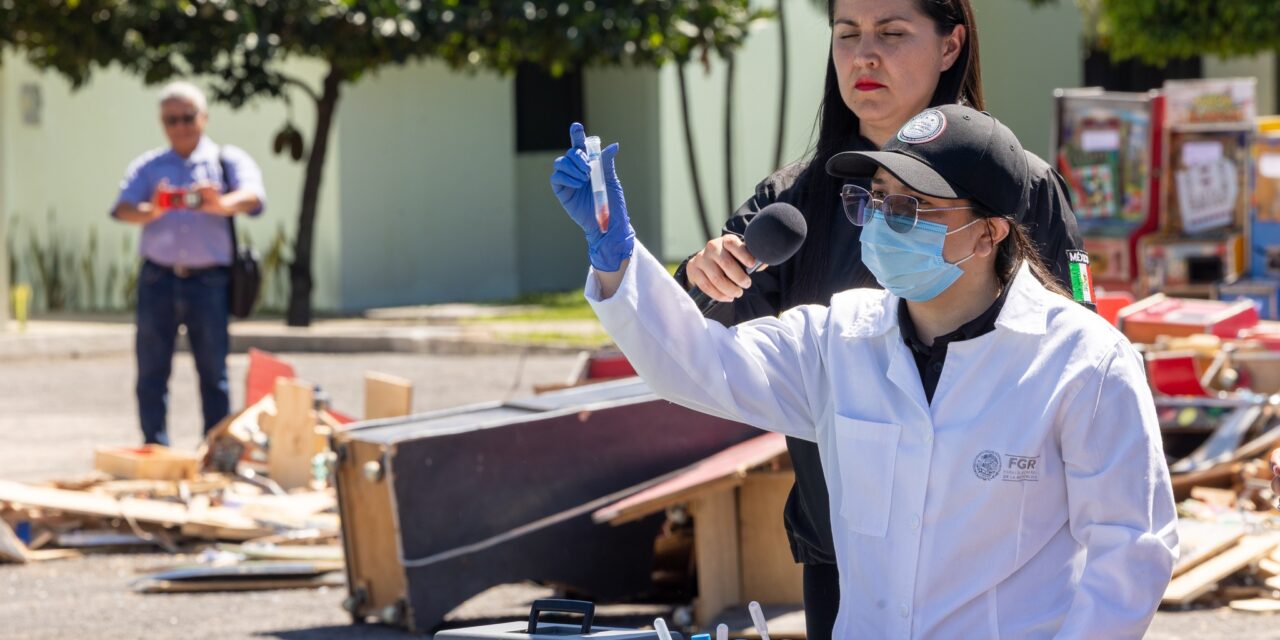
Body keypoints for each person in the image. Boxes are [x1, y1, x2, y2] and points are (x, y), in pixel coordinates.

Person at [550, 106, 1177, 637]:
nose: (882, 222)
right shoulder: (837, 338)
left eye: (911, 207)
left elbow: (1130, 547)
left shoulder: (1082, 361)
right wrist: (618, 258)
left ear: (987, 234)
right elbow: (696, 367)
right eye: (875, 200)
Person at [672, 1, 1088, 634]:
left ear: (951, 46)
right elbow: (697, 346)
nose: (865, 55)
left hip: (999, 570)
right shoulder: (791, 203)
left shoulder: (1022, 187)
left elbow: (1083, 365)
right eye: (847, 34)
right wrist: (699, 279)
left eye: (893, 34)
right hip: (842, 560)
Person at [111, 81, 266, 446]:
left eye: (187, 117)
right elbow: (122, 208)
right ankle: (155, 449)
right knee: (151, 371)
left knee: (214, 373)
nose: (180, 126)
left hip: (209, 281)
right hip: (157, 279)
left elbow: (255, 196)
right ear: (162, 123)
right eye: (171, 119)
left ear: (204, 117)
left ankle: (214, 451)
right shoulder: (149, 166)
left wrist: (220, 203)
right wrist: (154, 209)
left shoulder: (226, 161)